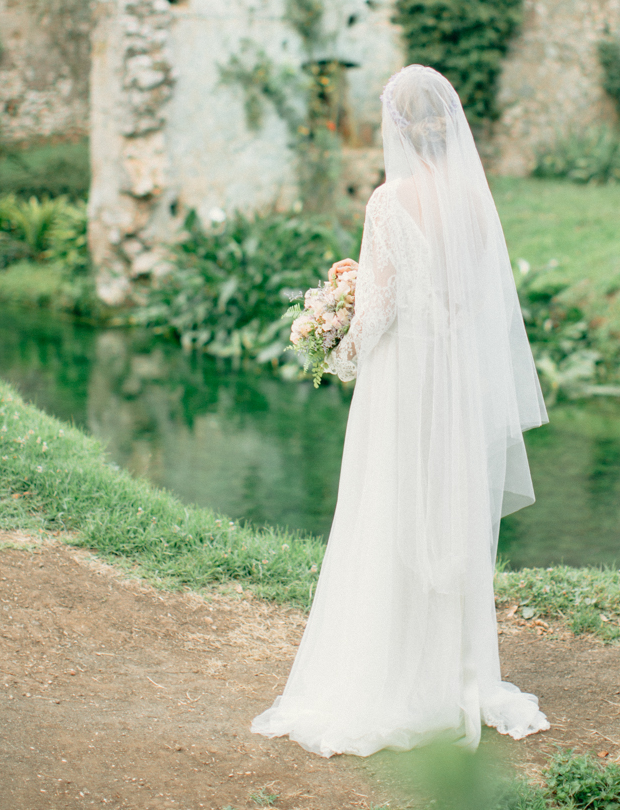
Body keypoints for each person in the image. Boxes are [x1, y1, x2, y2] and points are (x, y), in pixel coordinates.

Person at [251, 64, 549, 757]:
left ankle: (390, 674)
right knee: (443, 505)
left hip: (405, 377)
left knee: (390, 505)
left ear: (400, 129)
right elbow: (468, 295)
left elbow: (383, 307)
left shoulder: (390, 201)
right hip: (455, 375)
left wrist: (339, 335)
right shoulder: (475, 202)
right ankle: (453, 671)